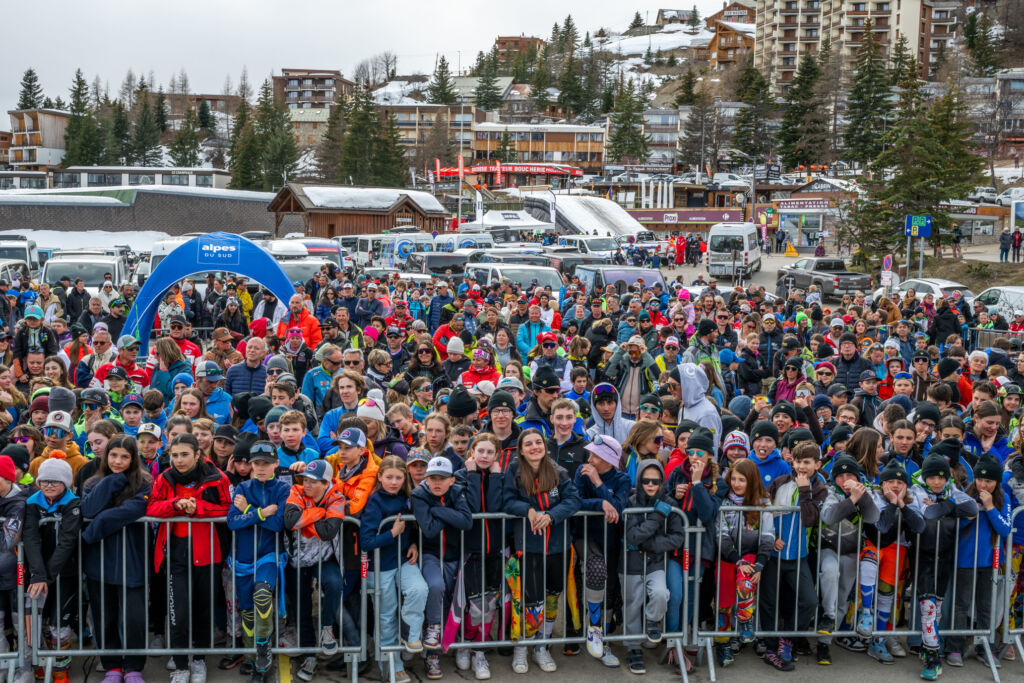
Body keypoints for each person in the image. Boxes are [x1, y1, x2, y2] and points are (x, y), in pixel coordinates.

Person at [146, 433, 231, 683]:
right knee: (178, 611)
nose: (179, 460)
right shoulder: (164, 478)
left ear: (197, 454)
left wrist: (199, 508)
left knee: (203, 610)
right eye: (175, 455)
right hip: (175, 552)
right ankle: (181, 665)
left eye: (185, 454)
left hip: (208, 552)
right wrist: (175, 504)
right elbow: (151, 507)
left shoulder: (218, 478)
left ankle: (199, 660)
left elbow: (228, 509)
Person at [502, 429, 581, 674]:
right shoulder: (514, 471)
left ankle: (541, 647)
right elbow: (505, 501)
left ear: (545, 446)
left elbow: (573, 499)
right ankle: (521, 648)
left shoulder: (558, 471)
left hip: (557, 546)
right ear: (521, 449)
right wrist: (527, 510)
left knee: (551, 597)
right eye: (529, 444)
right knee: (529, 601)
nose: (535, 447)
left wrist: (552, 516)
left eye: (538, 442)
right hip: (529, 547)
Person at [80, 435, 152, 683]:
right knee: (104, 615)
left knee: (134, 617)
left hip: (132, 558)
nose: (118, 461)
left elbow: (134, 510)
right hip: (100, 560)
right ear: (106, 456)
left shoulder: (144, 482)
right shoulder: (92, 482)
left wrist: (95, 527)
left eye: (124, 456)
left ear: (133, 459)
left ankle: (133, 667)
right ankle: (111, 666)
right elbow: (88, 509)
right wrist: (112, 480)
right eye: (114, 455)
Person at [225, 440, 292, 682]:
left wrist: (249, 511)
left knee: (262, 595)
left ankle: (263, 653)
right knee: (247, 613)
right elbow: (232, 522)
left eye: (266, 463)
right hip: (242, 559)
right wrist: (261, 512)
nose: (260, 468)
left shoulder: (283, 490)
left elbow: (278, 525)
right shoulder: (242, 487)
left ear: (276, 463)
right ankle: (254, 663)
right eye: (256, 463)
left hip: (268, 556)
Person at [359, 456, 428, 683]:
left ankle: (409, 635)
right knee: (386, 617)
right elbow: (366, 542)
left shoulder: (407, 498)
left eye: (399, 477)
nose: (394, 481)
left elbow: (412, 528)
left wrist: (413, 543)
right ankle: (391, 664)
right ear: (380, 477)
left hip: (402, 560)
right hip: (379, 568)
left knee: (419, 589)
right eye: (389, 477)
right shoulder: (374, 502)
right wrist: (392, 534)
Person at [283, 459, 349, 682]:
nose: (307, 485)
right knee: (301, 608)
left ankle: (326, 627)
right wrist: (319, 512)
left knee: (334, 584)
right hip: (297, 560)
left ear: (326, 482)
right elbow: (291, 520)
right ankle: (310, 656)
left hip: (325, 557)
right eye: (306, 480)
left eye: (313, 481)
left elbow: (328, 532)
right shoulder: (296, 490)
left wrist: (306, 519)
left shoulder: (337, 497)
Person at [411, 455, 473, 679]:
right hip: (430, 554)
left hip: (455, 555)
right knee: (435, 587)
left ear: (451, 480)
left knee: (452, 599)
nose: (437, 483)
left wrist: (436, 511)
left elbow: (467, 521)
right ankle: (433, 646)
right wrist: (450, 516)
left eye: (442, 478)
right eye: (432, 478)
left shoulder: (457, 492)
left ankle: (448, 648)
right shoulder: (419, 494)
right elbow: (428, 530)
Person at [622, 457, 684, 674]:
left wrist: (647, 543)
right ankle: (633, 649)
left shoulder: (670, 502)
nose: (650, 485)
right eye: (646, 481)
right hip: (630, 562)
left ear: (662, 482)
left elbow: (677, 537)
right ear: (639, 481)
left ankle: (652, 621)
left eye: (655, 481)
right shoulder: (631, 502)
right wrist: (658, 517)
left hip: (655, 562)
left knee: (660, 593)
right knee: (632, 604)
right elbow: (631, 534)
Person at [713, 458, 773, 667]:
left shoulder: (763, 502)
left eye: (742, 480)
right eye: (734, 479)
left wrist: (761, 563)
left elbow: (767, 534)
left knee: (745, 582)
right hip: (728, 557)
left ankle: (745, 621)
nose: (736, 484)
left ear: (752, 481)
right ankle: (723, 642)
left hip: (750, 555)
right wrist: (735, 559)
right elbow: (721, 534)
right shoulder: (724, 501)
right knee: (724, 600)